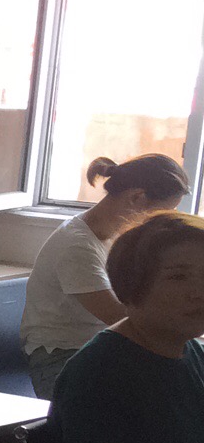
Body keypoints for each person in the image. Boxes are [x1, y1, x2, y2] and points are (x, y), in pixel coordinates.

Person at [49, 212, 204, 443]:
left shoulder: (191, 352)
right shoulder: (100, 371)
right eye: (178, 277)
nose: (198, 292)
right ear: (132, 286)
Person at [21, 154, 192, 398]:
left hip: (106, 347)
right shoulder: (77, 245)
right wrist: (186, 327)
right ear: (137, 198)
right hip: (62, 357)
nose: (160, 223)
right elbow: (118, 317)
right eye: (161, 213)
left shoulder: (119, 236)